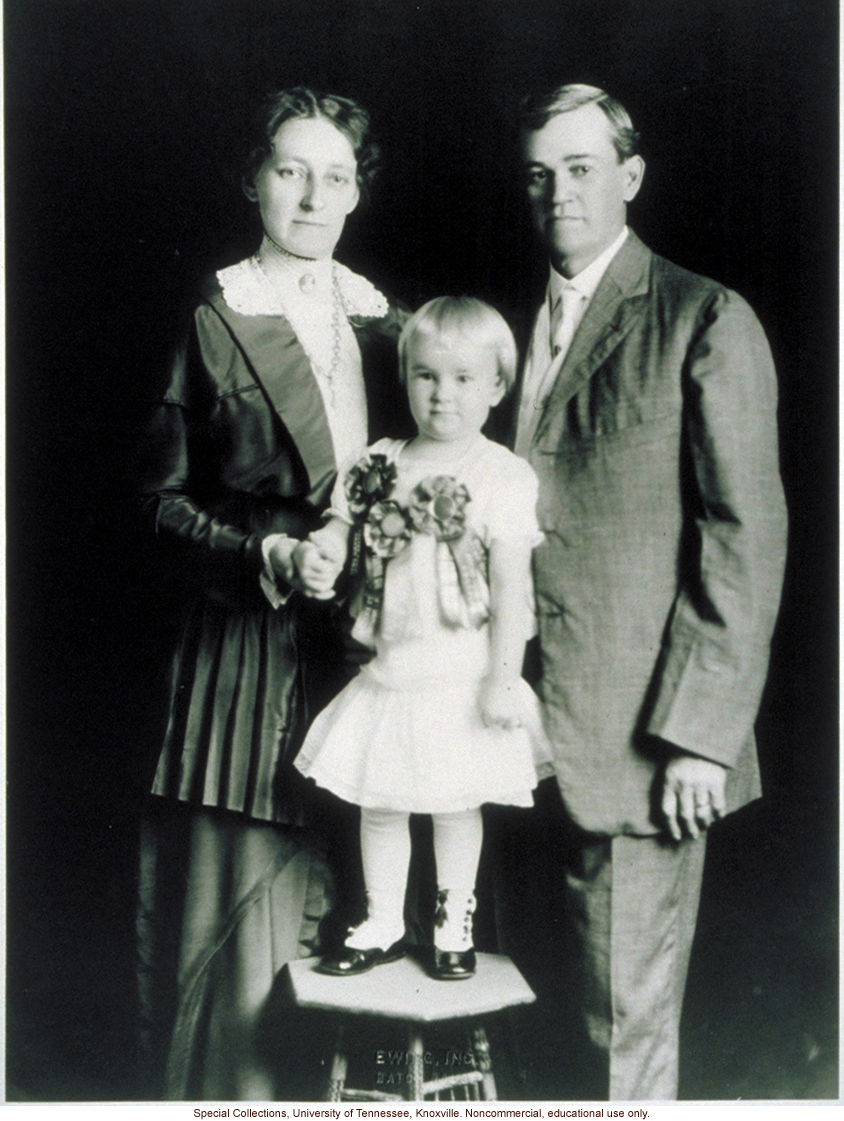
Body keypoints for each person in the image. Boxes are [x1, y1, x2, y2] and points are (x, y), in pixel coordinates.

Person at [501, 84, 788, 1099]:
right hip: (510, 735)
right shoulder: (506, 323)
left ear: (629, 175)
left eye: (581, 169)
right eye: (540, 174)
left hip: (640, 747)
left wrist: (702, 733)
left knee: (620, 1039)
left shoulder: (704, 315)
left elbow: (743, 534)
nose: (559, 193)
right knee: (521, 1029)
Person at [135, 87, 412, 1099]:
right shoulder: (214, 311)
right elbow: (152, 502)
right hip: (242, 662)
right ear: (254, 177)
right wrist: (268, 557)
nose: (311, 194)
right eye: (290, 169)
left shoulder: (387, 321)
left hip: (369, 652)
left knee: (371, 915)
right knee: (243, 943)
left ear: (355, 191)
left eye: (334, 175)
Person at [293, 297, 551, 980]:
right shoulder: (380, 461)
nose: (443, 395)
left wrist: (504, 675)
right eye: (427, 376)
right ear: (405, 378)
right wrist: (326, 545)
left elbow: (512, 587)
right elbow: (342, 525)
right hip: (391, 670)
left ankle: (451, 919)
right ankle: (381, 919)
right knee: (383, 800)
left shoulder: (502, 476)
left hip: (461, 675)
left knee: (455, 804)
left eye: (465, 379)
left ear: (497, 386)